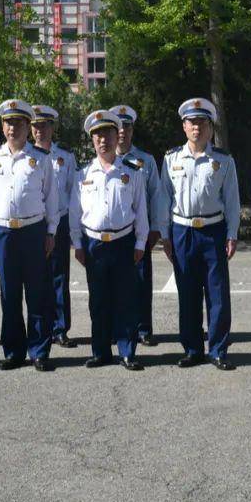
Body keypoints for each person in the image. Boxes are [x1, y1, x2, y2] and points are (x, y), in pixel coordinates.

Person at [159, 98, 241, 371]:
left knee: (217, 294)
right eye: (192, 123)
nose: (197, 128)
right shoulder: (171, 159)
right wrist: (165, 236)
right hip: (182, 231)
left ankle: (218, 349)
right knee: (188, 293)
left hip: (213, 230)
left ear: (210, 128)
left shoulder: (223, 160)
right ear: (184, 126)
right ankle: (193, 349)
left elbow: (231, 200)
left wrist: (232, 234)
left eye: (202, 123)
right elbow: (164, 199)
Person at [0, 99, 60, 371]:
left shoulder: (41, 159)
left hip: (33, 231)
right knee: (10, 295)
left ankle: (40, 351)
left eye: (18, 122)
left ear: (28, 126)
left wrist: (51, 231)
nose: (12, 127)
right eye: (8, 122)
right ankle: (14, 351)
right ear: (2, 126)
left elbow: (51, 198)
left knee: (37, 294)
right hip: (3, 233)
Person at [70, 110, 148, 371]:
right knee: (99, 300)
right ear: (92, 140)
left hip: (124, 242)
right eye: (98, 135)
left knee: (126, 299)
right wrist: (78, 245)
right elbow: (74, 213)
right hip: (94, 245)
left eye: (108, 134)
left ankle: (127, 351)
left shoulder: (132, 171)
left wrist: (140, 244)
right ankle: (100, 351)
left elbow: (141, 211)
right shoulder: (82, 174)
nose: (103, 140)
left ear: (117, 137)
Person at [110, 104, 166, 346]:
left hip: (139, 231)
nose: (123, 131)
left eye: (127, 127)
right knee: (113, 283)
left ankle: (143, 329)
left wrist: (156, 229)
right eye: (119, 127)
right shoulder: (104, 160)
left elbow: (157, 195)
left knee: (141, 282)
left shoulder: (145, 160)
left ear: (132, 131)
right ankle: (117, 329)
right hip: (113, 232)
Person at [30, 104, 79, 349]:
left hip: (59, 223)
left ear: (52, 127)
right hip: (34, 225)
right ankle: (42, 329)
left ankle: (60, 328)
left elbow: (73, 192)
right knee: (38, 278)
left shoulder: (65, 157)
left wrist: (70, 225)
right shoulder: (26, 156)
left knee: (60, 277)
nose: (40, 130)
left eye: (44, 126)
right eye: (35, 126)